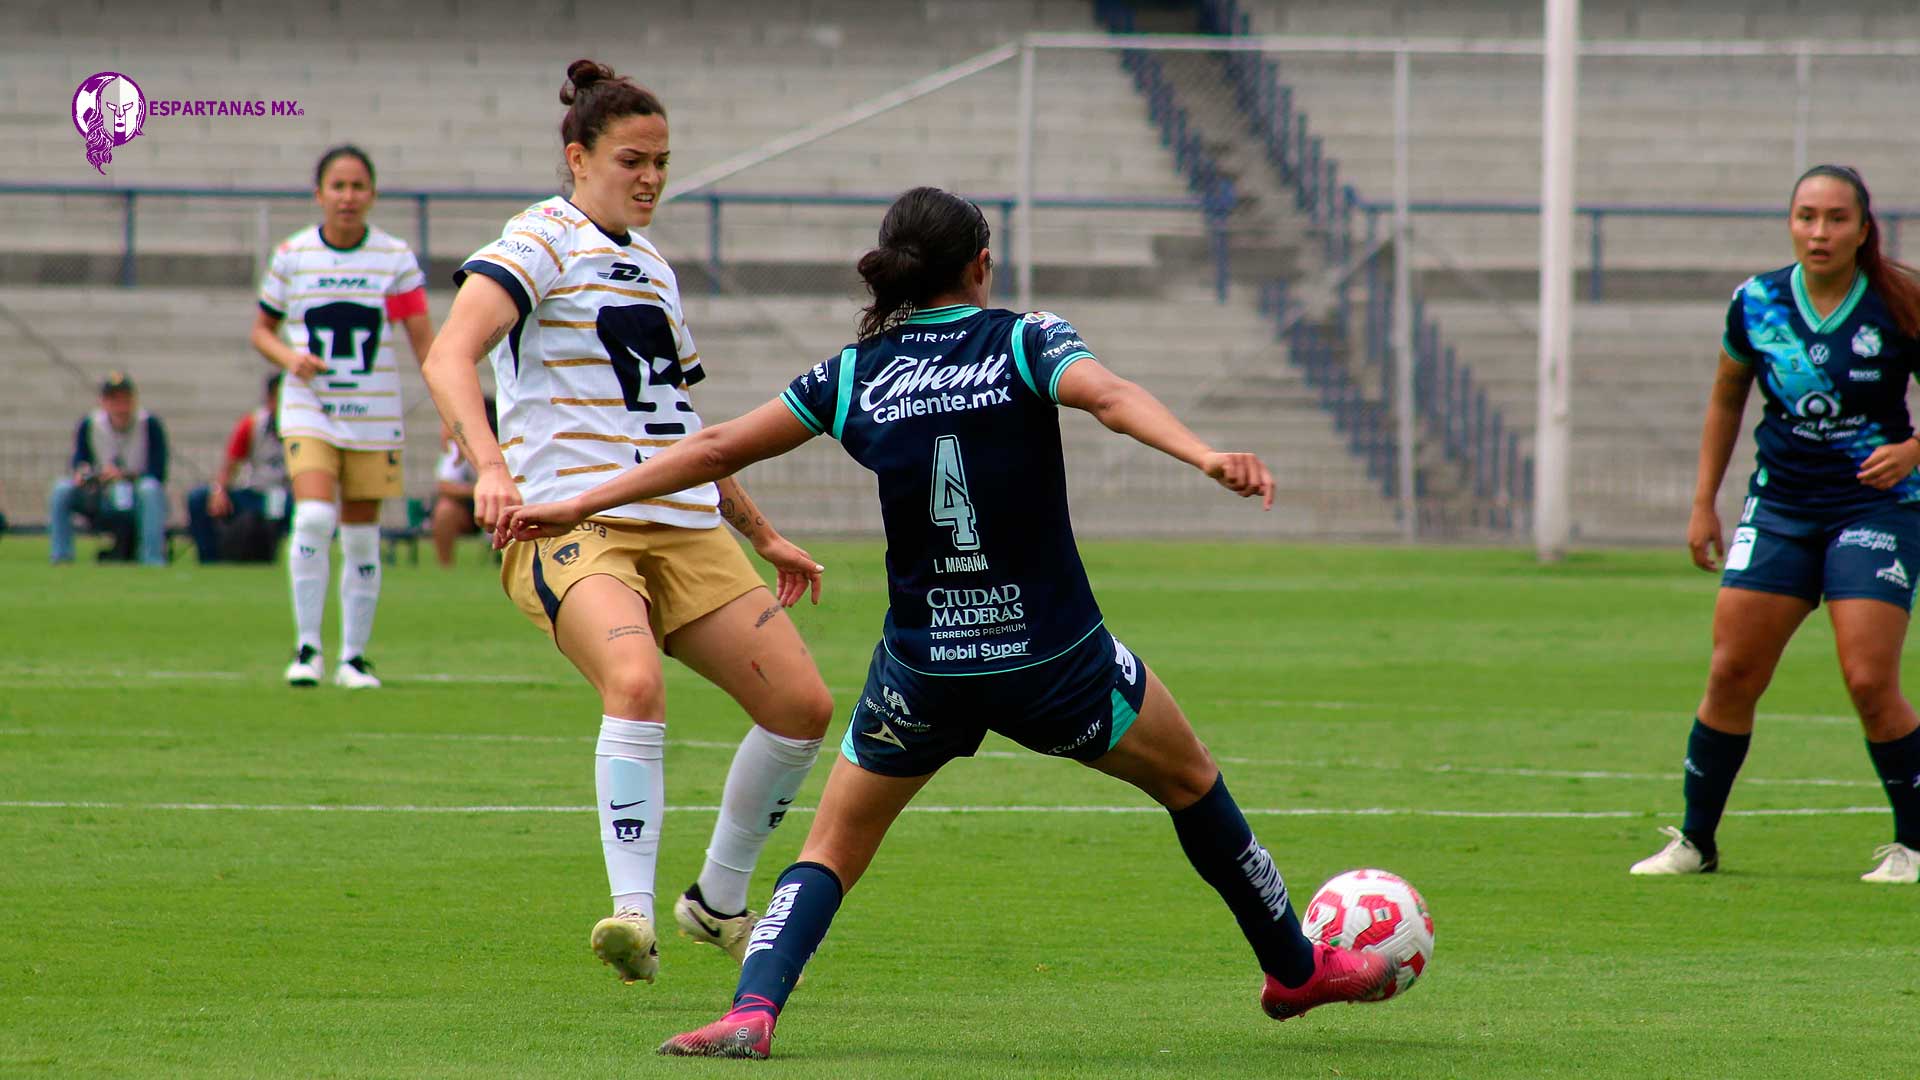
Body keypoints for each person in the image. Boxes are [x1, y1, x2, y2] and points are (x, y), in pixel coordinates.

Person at [501, 185, 1397, 1060]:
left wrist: (572, 500)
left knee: (832, 849)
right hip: (1053, 658)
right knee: (1193, 784)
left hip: (924, 666)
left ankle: (753, 1011)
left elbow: (709, 448)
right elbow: (1113, 399)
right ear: (980, 263)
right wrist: (1205, 454)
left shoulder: (856, 372)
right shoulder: (1026, 341)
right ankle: (1293, 970)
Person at [419, 59, 834, 988]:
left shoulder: (653, 269)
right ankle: (631, 919)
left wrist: (759, 530)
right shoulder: (538, 239)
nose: (650, 177)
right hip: (573, 522)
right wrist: (489, 468)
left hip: (684, 525)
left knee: (802, 709)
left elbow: (679, 426)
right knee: (634, 677)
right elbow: (450, 354)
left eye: (663, 162)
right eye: (632, 160)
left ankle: (718, 903)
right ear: (579, 157)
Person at [1632, 165, 1920, 885]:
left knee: (1867, 679)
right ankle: (1696, 842)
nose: (1819, 232)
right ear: (1790, 222)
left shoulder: (1900, 300)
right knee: (1732, 672)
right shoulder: (1756, 302)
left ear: (1863, 228)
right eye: (1806, 217)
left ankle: (1912, 844)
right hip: (1781, 507)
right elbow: (1727, 399)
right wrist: (1705, 500)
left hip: (1874, 508)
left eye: (1835, 219)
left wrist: (1914, 450)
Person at [250, 145, 435, 689]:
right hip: (312, 410)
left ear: (372, 195)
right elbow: (262, 329)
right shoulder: (293, 255)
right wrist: (290, 358)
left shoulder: (394, 259)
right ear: (319, 193)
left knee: (361, 538)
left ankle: (353, 657)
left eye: (358, 187)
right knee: (311, 518)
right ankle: (307, 649)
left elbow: (422, 339)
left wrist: (453, 410)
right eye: (338, 186)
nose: (348, 197)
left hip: (374, 415)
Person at [49, 371, 170, 566]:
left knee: (150, 489)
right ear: (104, 402)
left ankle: (152, 558)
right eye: (115, 400)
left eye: (125, 399)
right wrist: (87, 474)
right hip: (100, 493)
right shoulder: (90, 425)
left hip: (137, 493)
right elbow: (80, 463)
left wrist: (124, 475)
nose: (121, 406)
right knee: (61, 489)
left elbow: (158, 473)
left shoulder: (149, 425)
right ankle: (61, 555)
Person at [186, 373, 290, 564]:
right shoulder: (251, 425)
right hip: (256, 493)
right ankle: (210, 561)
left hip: (290, 495)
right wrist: (219, 491)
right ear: (269, 399)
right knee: (199, 498)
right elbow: (230, 466)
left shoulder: (305, 426)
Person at [429, 397, 495, 568]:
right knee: (444, 510)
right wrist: (480, 489)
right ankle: (445, 566)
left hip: (503, 501)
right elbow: (444, 486)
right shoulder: (458, 445)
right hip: (471, 502)